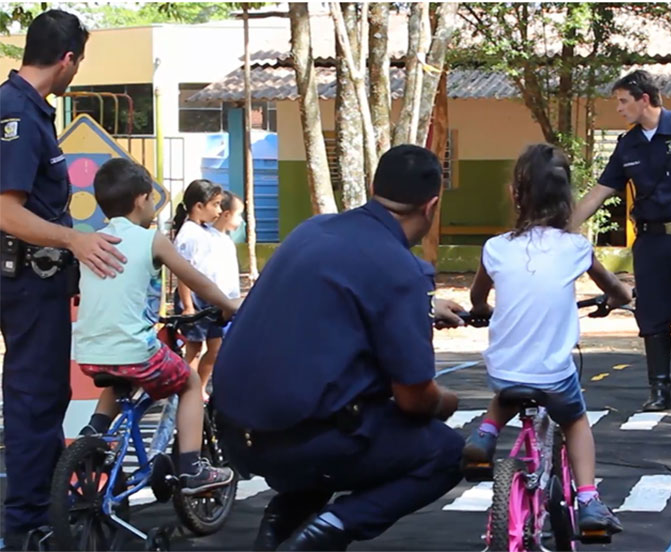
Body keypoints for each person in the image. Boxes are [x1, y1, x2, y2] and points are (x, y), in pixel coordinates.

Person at [213, 145, 466, 551]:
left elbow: (343, 291)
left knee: (333, 412)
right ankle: (328, 530)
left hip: (234, 434)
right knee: (447, 452)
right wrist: (447, 402)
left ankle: (282, 524)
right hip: (306, 442)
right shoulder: (402, 270)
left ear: (373, 188)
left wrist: (423, 304)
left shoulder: (311, 231)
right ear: (432, 205)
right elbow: (415, 398)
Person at [0, 11, 126, 547]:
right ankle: (27, 526)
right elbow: (7, 211)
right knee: (34, 398)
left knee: (42, 399)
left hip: (32, 280)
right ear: (68, 58)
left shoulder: (21, 108)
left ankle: (47, 511)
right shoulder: (20, 116)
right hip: (26, 280)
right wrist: (75, 239)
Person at [462, 144, 630, 534]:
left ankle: (485, 435)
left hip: (505, 372)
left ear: (515, 194)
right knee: (575, 420)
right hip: (554, 377)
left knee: (507, 384)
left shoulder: (496, 248)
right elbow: (615, 290)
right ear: (567, 198)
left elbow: (477, 298)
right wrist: (619, 298)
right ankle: (588, 499)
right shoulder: (576, 248)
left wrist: (482, 308)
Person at [570, 69, 671, 412]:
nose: (619, 108)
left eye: (623, 101)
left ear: (644, 99)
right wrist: (563, 226)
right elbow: (600, 191)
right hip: (651, 241)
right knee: (653, 314)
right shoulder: (626, 144)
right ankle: (659, 389)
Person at [72, 158, 237, 494]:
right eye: (150, 199)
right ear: (139, 200)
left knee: (118, 375)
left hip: (89, 351)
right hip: (135, 350)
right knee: (190, 383)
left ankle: (92, 436)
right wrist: (230, 305)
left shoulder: (91, 241)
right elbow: (197, 281)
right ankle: (192, 469)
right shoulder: (152, 240)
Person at [171, 179, 224, 399]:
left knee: (216, 348)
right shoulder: (188, 234)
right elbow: (183, 274)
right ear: (198, 206)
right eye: (215, 205)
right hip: (194, 299)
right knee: (193, 348)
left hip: (210, 298)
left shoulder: (206, 231)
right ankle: (186, 392)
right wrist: (188, 306)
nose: (219, 211)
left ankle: (199, 387)